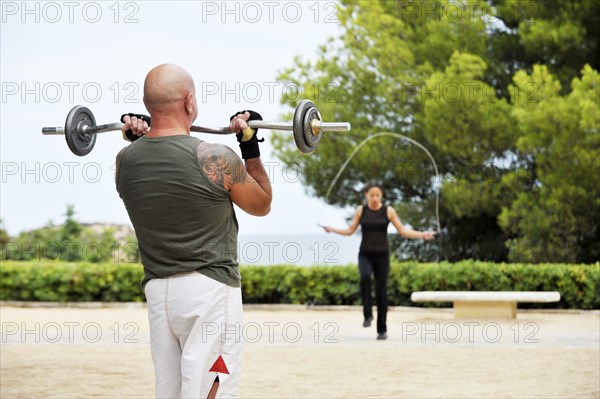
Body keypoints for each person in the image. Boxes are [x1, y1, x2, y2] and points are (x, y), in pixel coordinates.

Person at [115, 64, 272, 398]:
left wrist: (138, 138)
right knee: (210, 390)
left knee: (170, 393)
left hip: (159, 294)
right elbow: (262, 204)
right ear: (189, 102)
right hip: (209, 290)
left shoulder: (125, 161)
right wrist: (249, 144)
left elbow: (155, 159)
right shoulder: (215, 157)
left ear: (147, 106)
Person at [322, 183, 435, 340]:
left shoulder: (388, 211)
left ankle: (382, 330)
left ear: (381, 196)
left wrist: (422, 235)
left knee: (381, 292)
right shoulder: (361, 211)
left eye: (378, 195)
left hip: (382, 256)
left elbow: (403, 231)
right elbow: (350, 231)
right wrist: (332, 229)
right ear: (366, 195)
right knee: (365, 277)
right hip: (365, 254)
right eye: (372, 195)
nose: (375, 198)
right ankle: (367, 316)